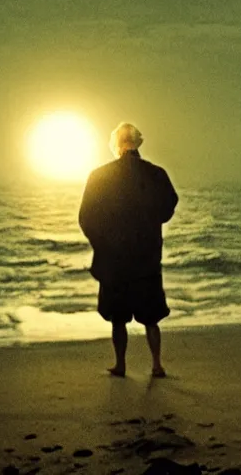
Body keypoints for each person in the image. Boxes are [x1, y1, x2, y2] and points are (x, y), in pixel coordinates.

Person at [79, 122, 178, 378]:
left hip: (115, 259)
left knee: (118, 317)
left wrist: (101, 242)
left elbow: (86, 217)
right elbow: (169, 207)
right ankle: (156, 364)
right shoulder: (156, 174)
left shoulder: (100, 176)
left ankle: (121, 364)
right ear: (138, 143)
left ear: (116, 144)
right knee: (151, 316)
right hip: (147, 257)